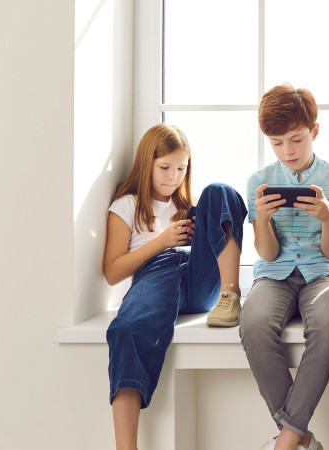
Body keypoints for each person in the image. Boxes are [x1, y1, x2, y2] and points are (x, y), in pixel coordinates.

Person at [103, 123, 247, 450]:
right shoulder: (126, 206)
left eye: (181, 169)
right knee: (126, 330)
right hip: (155, 272)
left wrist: (194, 236)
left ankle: (231, 292)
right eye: (165, 168)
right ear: (146, 164)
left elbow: (212, 233)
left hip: (200, 278)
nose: (173, 177)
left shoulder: (190, 204)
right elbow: (112, 272)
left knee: (220, 191)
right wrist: (161, 242)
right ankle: (126, 446)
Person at [240, 84, 329, 450]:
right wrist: (261, 220)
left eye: (296, 140)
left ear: (314, 131)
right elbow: (267, 254)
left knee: (328, 324)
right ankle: (300, 436)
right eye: (277, 142)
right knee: (253, 325)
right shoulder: (258, 181)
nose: (287, 151)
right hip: (273, 275)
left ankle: (286, 441)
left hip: (323, 273)